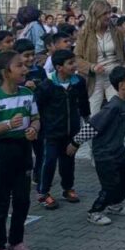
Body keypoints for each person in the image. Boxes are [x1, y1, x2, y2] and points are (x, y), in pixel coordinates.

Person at [0, 51, 40, 250]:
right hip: (0, 152)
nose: (25, 69)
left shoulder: (27, 93)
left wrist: (33, 129)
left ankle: (16, 241)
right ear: (6, 73)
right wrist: (7, 126)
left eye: (25, 65)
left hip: (22, 150)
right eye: (20, 66)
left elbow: (36, 118)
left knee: (22, 200)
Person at [77, 67, 125, 225]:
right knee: (110, 185)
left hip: (119, 150)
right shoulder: (113, 106)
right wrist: (75, 142)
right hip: (105, 154)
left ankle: (114, 204)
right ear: (121, 85)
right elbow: (93, 126)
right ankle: (94, 211)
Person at [33, 49, 89, 210]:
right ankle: (43, 193)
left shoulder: (78, 82)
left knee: (68, 161)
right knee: (49, 162)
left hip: (71, 131)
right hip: (50, 133)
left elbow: (83, 103)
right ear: (59, 67)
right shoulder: (46, 85)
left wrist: (86, 119)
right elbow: (37, 108)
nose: (74, 66)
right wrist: (37, 128)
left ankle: (68, 188)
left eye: (74, 62)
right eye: (70, 63)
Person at [75, 0, 125, 114]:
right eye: (105, 13)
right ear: (96, 15)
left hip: (115, 76)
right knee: (93, 113)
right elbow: (76, 58)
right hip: (94, 78)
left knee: (117, 111)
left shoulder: (117, 32)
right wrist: (92, 67)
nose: (109, 16)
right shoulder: (84, 34)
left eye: (109, 12)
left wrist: (124, 69)